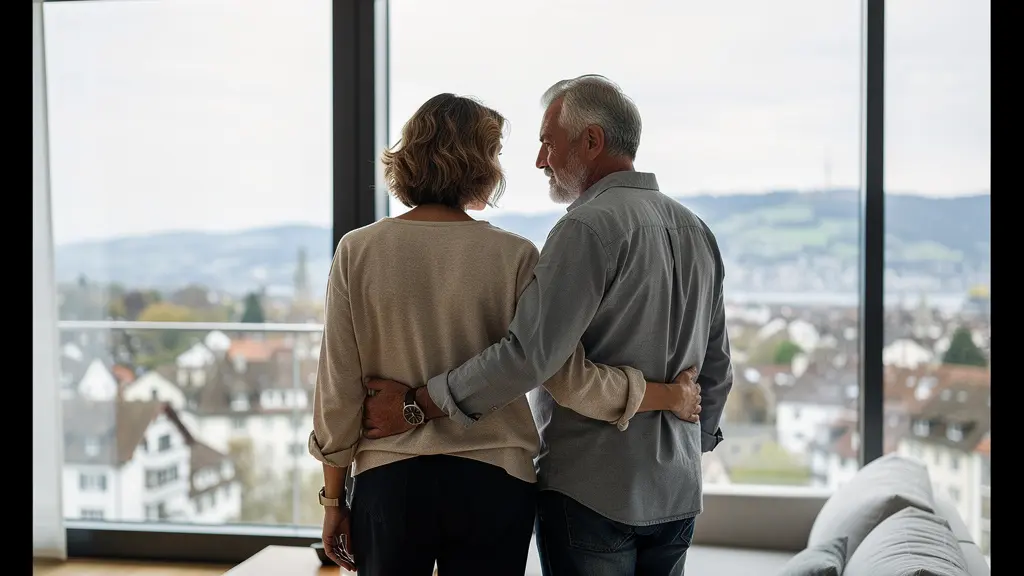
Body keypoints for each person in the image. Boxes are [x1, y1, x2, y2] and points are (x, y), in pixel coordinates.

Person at [307, 92, 702, 576]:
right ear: (481, 166)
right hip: (496, 481)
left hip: (390, 479)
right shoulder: (516, 256)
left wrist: (332, 499)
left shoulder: (357, 251)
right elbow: (564, 377)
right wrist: (668, 396)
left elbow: (338, 388)